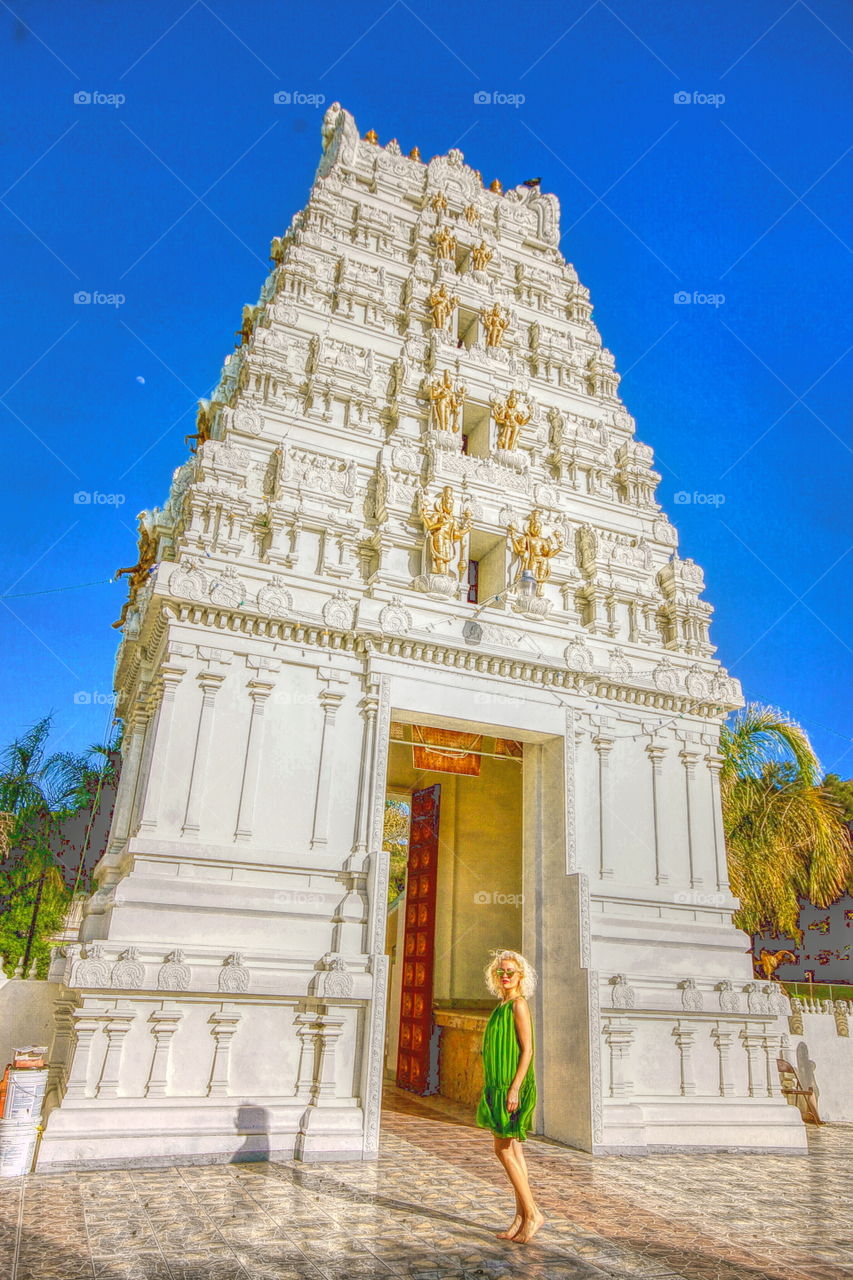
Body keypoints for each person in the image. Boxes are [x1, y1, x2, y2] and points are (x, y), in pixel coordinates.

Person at [475, 948, 544, 1244]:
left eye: (510, 972)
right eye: (501, 971)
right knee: (513, 1149)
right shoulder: (501, 1005)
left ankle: (533, 1213)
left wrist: (514, 1088)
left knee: (502, 1148)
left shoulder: (518, 1005)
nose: (505, 976)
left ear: (520, 976)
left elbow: (527, 1049)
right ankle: (520, 1217)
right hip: (499, 1084)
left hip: (511, 1087)